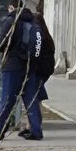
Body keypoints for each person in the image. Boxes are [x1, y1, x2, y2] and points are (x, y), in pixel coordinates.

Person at [0, 0, 36, 141]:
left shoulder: (11, 21)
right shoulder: (32, 22)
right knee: (30, 98)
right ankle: (36, 130)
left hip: (12, 64)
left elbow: (0, 44)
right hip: (29, 64)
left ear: (11, 7)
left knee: (7, 99)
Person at [17, 11, 55, 140]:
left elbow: (35, 54)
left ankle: (33, 126)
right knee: (36, 98)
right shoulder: (47, 37)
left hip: (38, 71)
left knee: (34, 98)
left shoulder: (38, 37)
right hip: (45, 71)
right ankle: (31, 125)